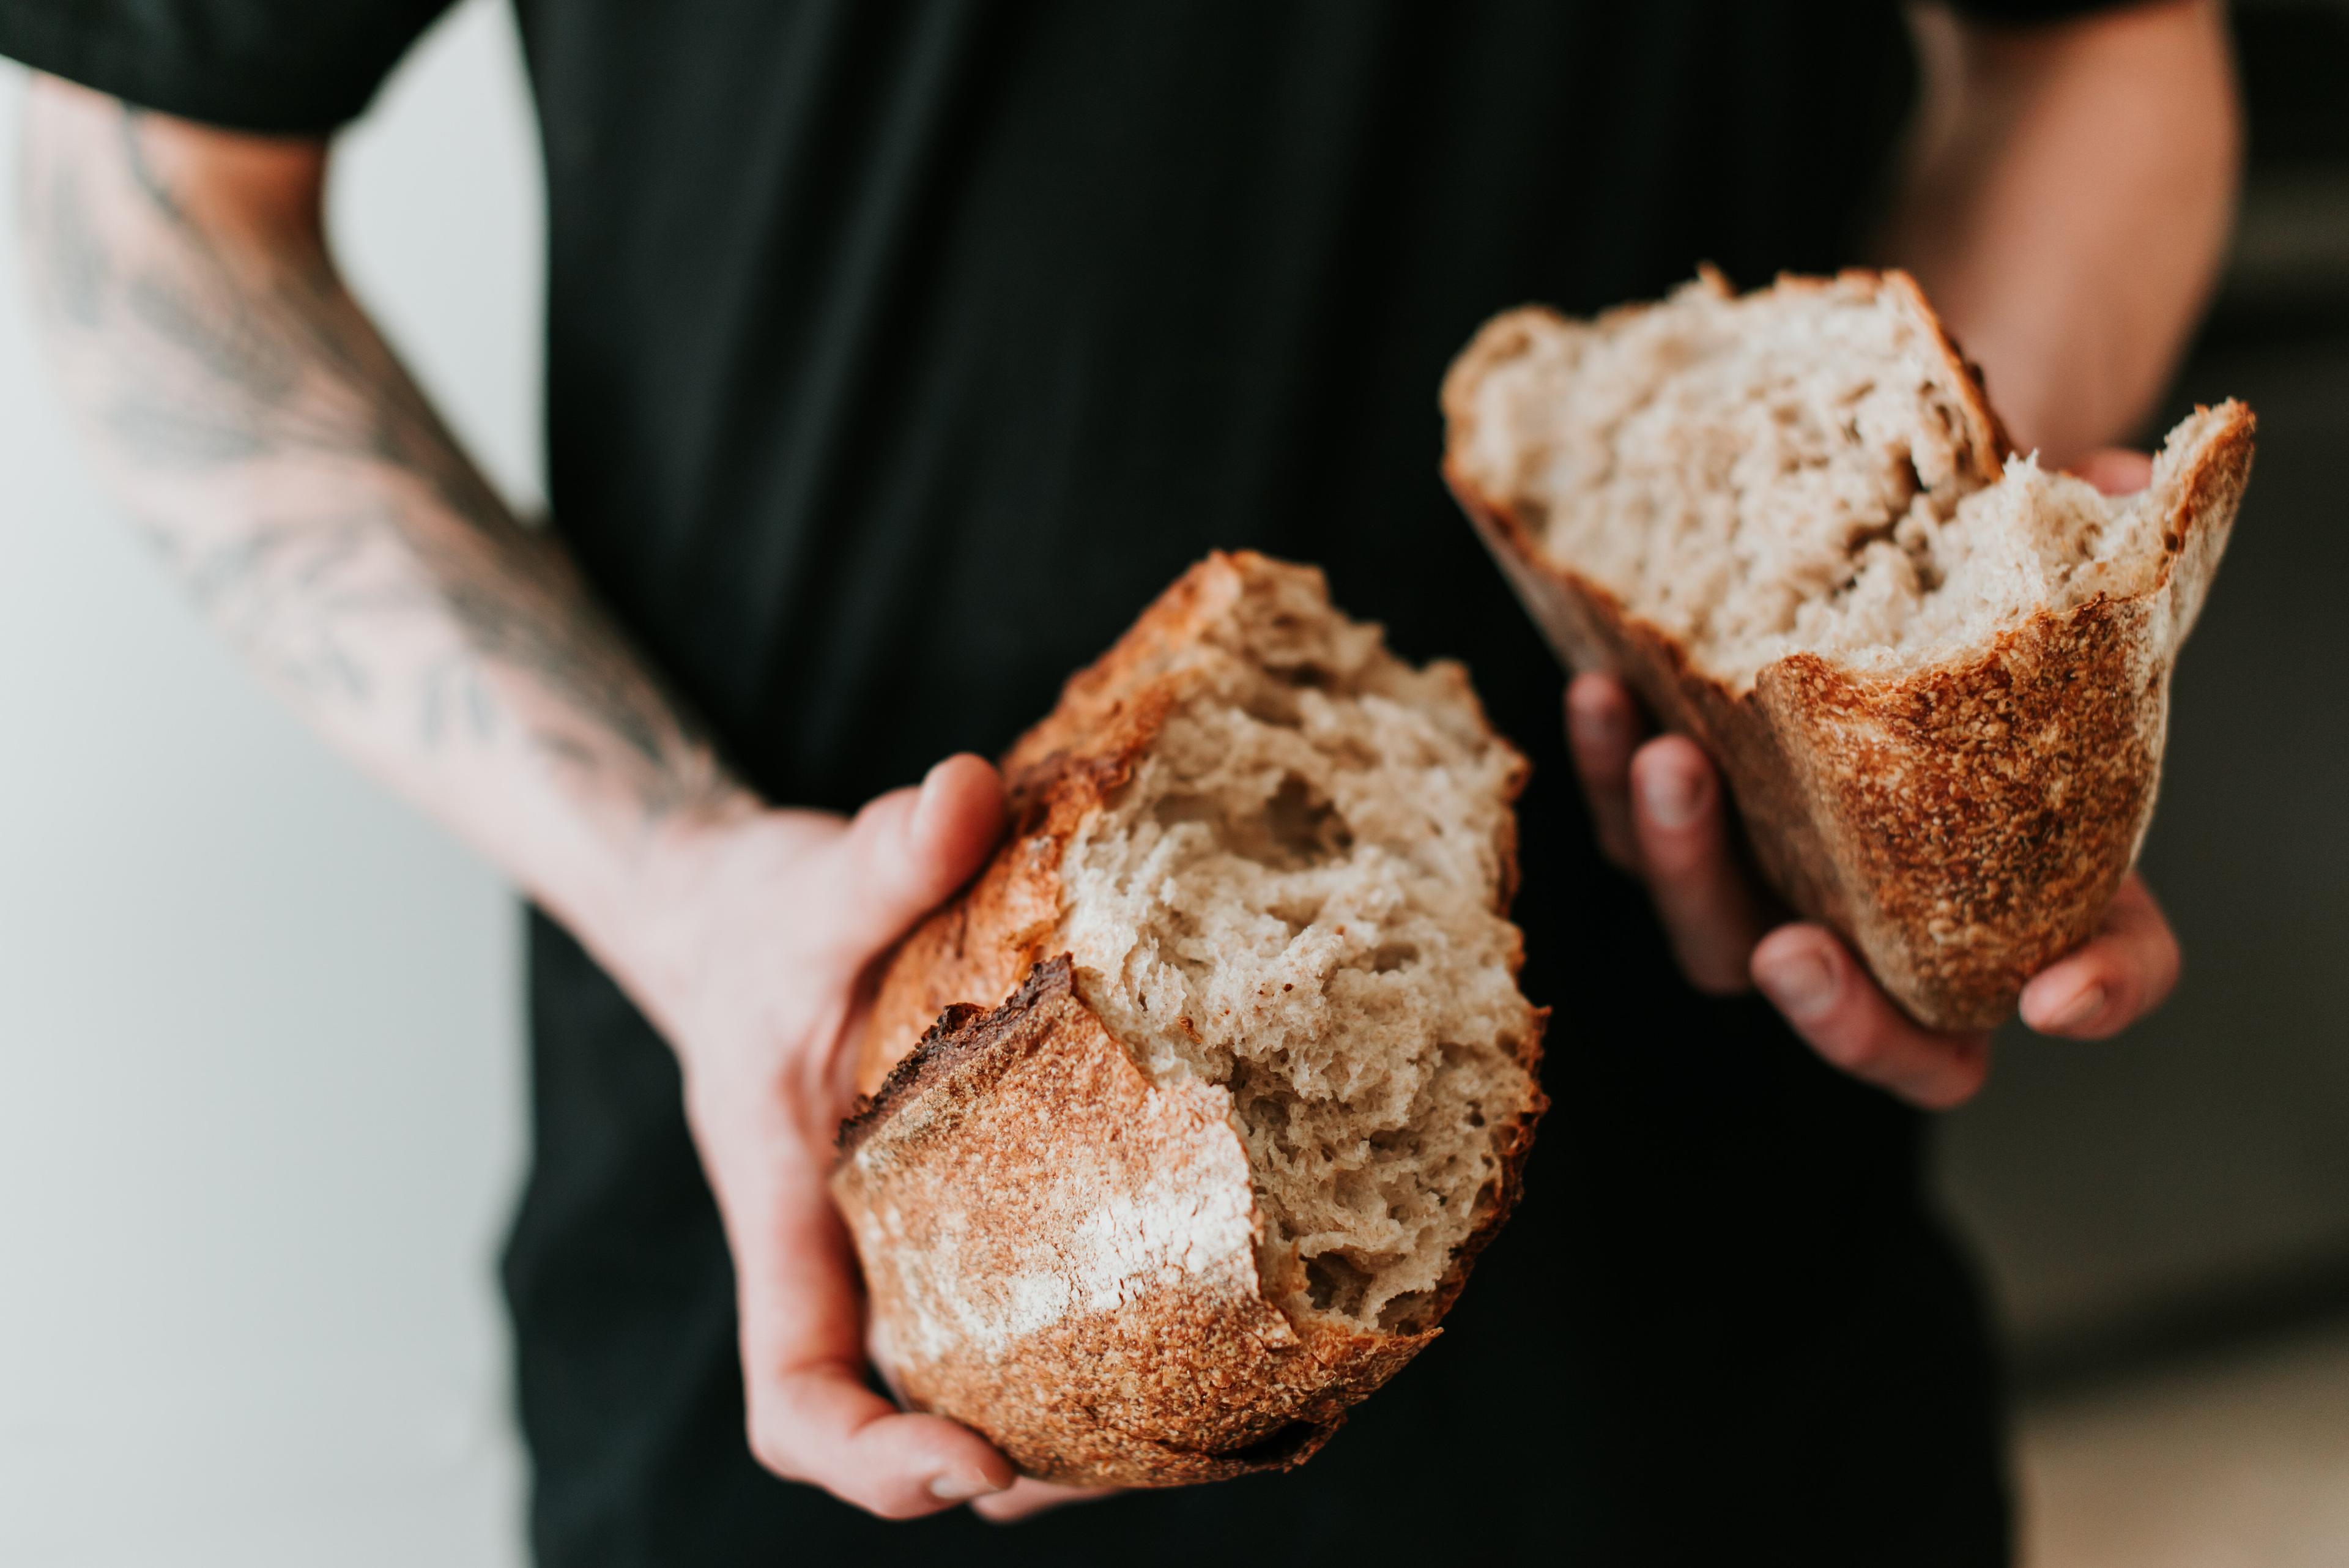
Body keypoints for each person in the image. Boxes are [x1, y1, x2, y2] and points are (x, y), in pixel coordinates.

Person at [4, 1, 2235, 1561]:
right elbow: (142, 183)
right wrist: (669, 875)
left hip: (1716, 1310)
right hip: (824, 1224)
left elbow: (2107, 40)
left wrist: (1898, 642)